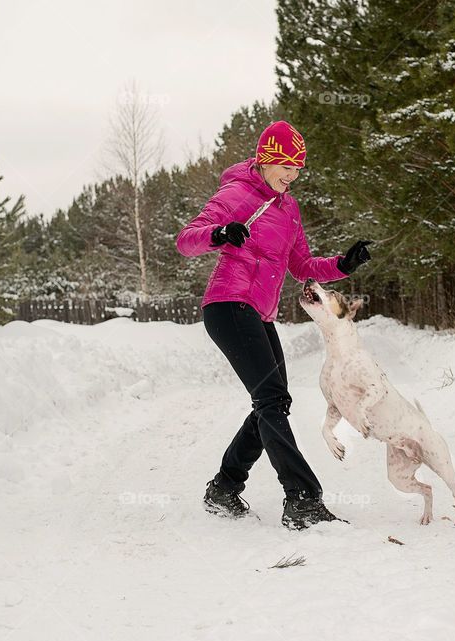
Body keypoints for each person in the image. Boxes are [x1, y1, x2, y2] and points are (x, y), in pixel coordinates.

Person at [175, 120, 372, 530]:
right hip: (228, 305)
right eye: (285, 165)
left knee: (274, 402)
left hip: (259, 313)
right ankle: (302, 500)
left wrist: (341, 265)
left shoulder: (289, 209)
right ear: (266, 159)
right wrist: (220, 232)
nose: (292, 175)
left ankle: (225, 488)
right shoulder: (236, 194)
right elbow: (187, 239)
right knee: (270, 400)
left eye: (298, 168)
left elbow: (301, 265)